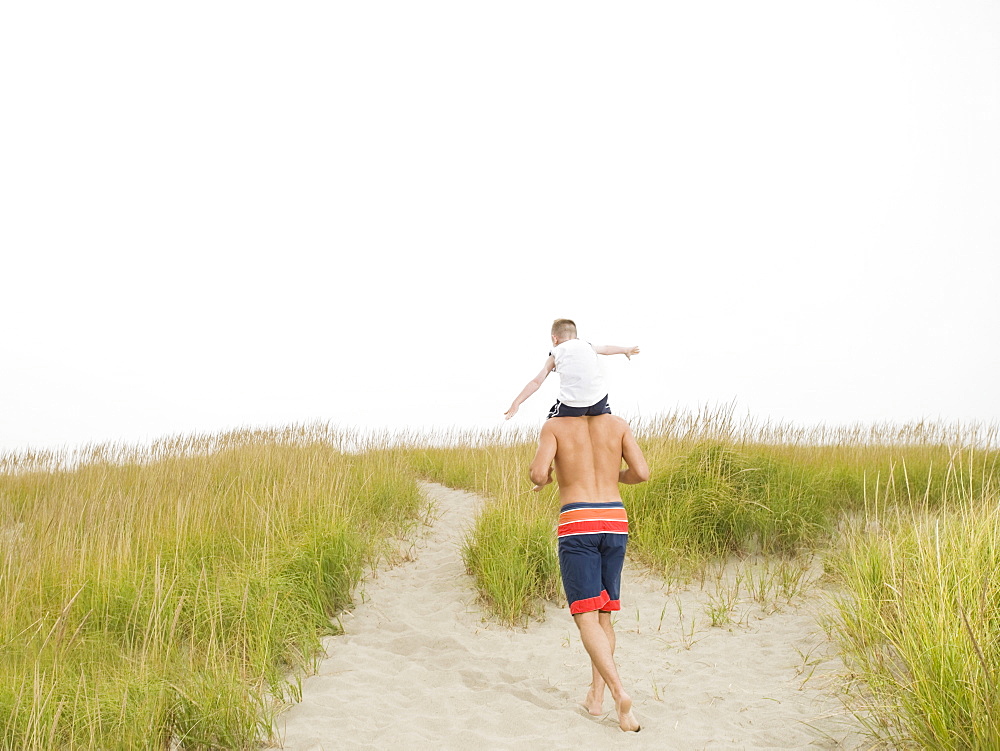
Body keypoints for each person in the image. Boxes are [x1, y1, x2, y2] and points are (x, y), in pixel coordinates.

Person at [529, 413, 649, 732]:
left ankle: (617, 692)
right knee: (604, 615)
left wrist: (545, 479)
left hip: (578, 520)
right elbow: (642, 472)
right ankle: (594, 698)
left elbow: (538, 472)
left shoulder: (555, 426)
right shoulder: (618, 424)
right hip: (615, 521)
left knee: (586, 616)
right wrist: (614, 476)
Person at [504, 318, 639, 420]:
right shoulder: (587, 345)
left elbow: (536, 382)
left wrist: (517, 402)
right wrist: (625, 350)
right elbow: (607, 349)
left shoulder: (557, 352)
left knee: (550, 423)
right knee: (603, 414)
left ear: (554, 338)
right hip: (599, 401)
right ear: (576, 337)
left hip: (573, 404)